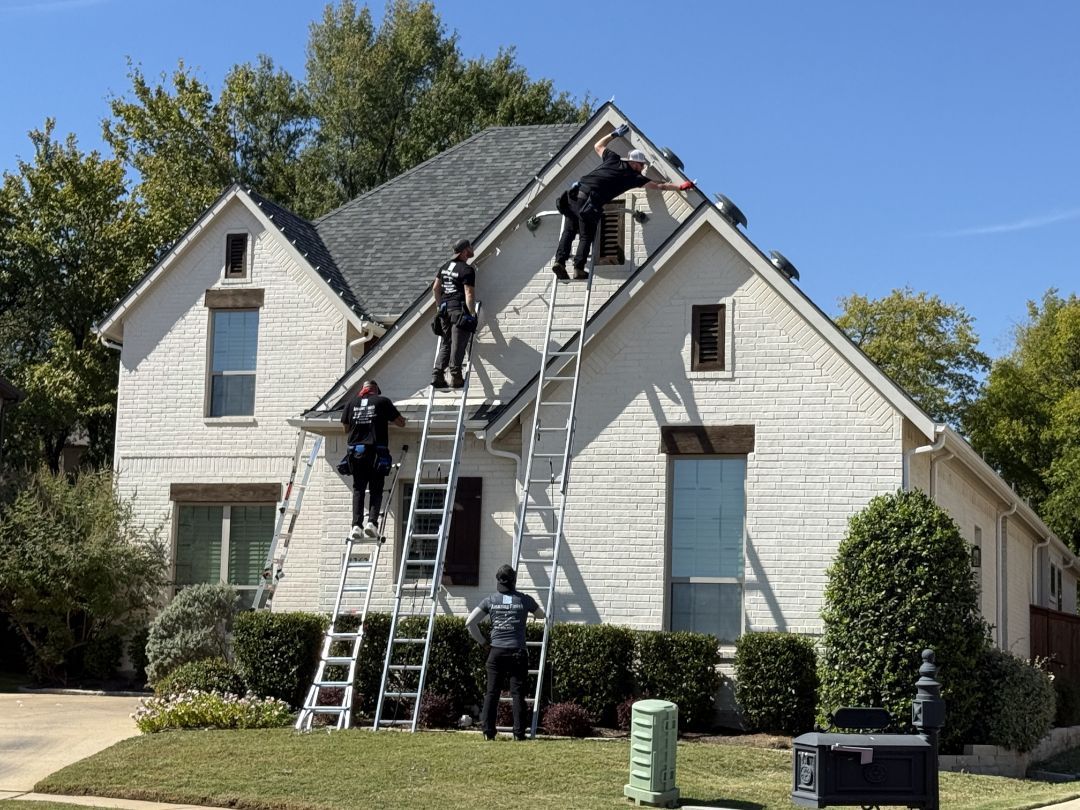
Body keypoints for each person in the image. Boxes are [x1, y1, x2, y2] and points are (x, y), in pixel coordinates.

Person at [552, 124, 695, 280]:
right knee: (586, 236)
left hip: (573, 195)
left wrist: (614, 134)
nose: (642, 168)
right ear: (634, 163)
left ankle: (559, 262)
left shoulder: (613, 159)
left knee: (569, 231)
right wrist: (680, 187)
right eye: (641, 165)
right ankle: (578, 269)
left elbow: (598, 145)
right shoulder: (634, 177)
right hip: (589, 202)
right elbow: (660, 186)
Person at [466, 564, 545, 741]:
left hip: (496, 652)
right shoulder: (524, 600)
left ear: (498, 580)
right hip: (518, 652)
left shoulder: (490, 600)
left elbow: (469, 623)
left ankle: (488, 732)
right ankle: (519, 734)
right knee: (518, 693)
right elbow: (541, 615)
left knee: (492, 693)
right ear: (514, 580)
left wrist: (484, 643)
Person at [339, 379, 406, 540]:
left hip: (355, 454)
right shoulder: (382, 401)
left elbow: (345, 428)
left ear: (363, 390)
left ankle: (356, 525)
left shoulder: (351, 403)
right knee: (376, 489)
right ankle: (372, 523)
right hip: (376, 453)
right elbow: (401, 423)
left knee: (358, 489)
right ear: (376, 390)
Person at [431, 238, 477, 389]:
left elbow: (436, 288)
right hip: (459, 312)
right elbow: (468, 293)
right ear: (464, 251)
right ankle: (456, 377)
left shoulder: (445, 267)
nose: (472, 249)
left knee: (446, 343)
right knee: (458, 344)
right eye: (470, 247)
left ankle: (437, 375)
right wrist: (471, 314)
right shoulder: (466, 269)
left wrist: (439, 307)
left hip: (445, 312)